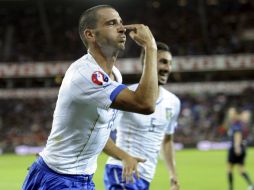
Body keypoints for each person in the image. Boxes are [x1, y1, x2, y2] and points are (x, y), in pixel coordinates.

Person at [22, 5, 159, 190]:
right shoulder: (87, 74)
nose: (122, 28)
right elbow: (146, 104)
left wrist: (124, 156)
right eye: (111, 23)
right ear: (90, 35)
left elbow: (98, 133)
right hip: (60, 178)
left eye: (121, 22)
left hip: (72, 177)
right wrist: (151, 47)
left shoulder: (115, 76)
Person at [104, 42, 181, 190]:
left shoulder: (173, 102)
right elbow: (99, 133)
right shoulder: (126, 95)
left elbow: (167, 140)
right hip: (122, 172)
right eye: (163, 62)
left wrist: (173, 174)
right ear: (148, 63)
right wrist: (124, 157)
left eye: (170, 63)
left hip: (144, 178)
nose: (167, 68)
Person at [225, 107, 253, 190]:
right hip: (242, 147)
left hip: (236, 148)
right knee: (241, 169)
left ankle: (230, 188)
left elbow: (238, 134)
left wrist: (237, 147)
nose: (229, 115)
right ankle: (251, 184)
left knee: (229, 168)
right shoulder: (240, 123)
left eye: (231, 113)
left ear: (234, 114)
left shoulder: (236, 123)